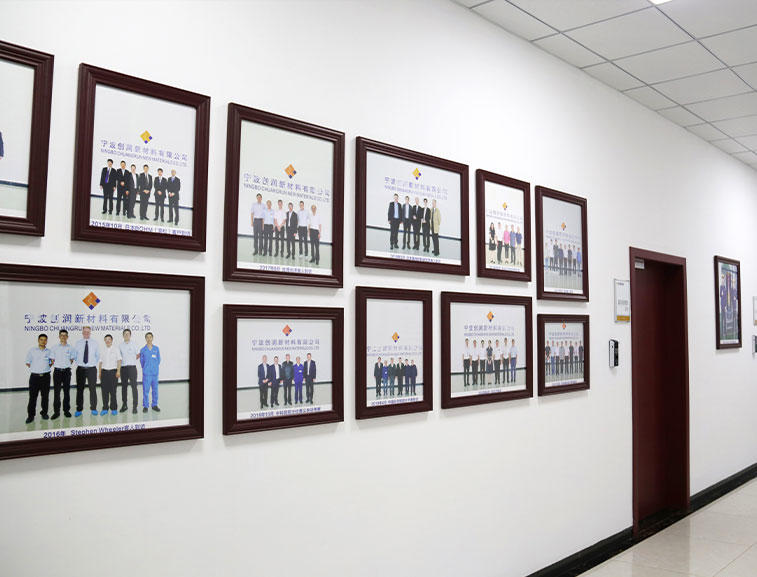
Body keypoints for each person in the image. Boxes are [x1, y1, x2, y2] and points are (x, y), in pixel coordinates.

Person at [25, 334, 52, 423]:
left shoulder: (49, 352)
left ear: (46, 341)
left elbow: (51, 362)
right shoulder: (32, 351)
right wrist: (36, 369)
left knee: (45, 397)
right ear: (38, 340)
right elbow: (28, 363)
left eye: (45, 340)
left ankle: (44, 413)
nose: (43, 341)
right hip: (34, 377)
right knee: (33, 397)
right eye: (41, 339)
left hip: (46, 377)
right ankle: (31, 416)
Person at [74, 326, 100, 417]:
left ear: (90, 333)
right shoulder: (78, 343)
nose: (86, 333)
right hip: (80, 369)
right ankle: (79, 409)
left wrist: (91, 364)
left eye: (88, 332)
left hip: (91, 369)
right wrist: (80, 363)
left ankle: (93, 408)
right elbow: (75, 355)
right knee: (79, 389)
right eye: (85, 332)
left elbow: (97, 356)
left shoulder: (95, 343)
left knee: (92, 389)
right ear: (82, 333)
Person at [50, 329, 74, 419]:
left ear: (67, 337)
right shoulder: (54, 348)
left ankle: (66, 410)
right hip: (57, 372)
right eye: (61, 335)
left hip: (67, 372)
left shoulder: (71, 348)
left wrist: (65, 366)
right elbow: (52, 360)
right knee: (57, 393)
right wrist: (59, 366)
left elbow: (71, 360)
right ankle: (56, 412)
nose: (63, 337)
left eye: (65, 335)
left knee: (66, 392)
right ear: (59, 336)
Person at [98, 334, 121, 416]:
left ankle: (114, 408)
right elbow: (100, 362)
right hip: (104, 372)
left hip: (113, 372)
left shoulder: (116, 349)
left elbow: (119, 360)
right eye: (106, 339)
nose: (107, 341)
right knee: (104, 392)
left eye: (109, 339)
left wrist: (118, 371)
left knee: (113, 391)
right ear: (104, 341)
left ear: (111, 340)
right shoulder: (102, 350)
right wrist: (100, 373)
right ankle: (105, 408)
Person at [139, 332, 161, 412]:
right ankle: (145, 406)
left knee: (155, 390)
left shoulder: (156, 349)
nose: (149, 339)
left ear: (152, 338)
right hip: (147, 374)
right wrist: (146, 368)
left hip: (154, 373)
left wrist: (154, 367)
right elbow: (141, 362)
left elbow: (159, 360)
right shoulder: (143, 350)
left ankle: (154, 405)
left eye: (150, 337)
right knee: (146, 391)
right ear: (145, 339)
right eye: (147, 337)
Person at [119, 328, 139, 414]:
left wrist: (132, 360)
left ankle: (135, 406)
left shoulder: (134, 344)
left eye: (128, 334)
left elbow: (138, 354)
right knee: (124, 387)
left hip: (132, 368)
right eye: (125, 334)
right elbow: (119, 358)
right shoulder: (120, 346)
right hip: (123, 369)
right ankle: (124, 405)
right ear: (123, 335)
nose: (126, 335)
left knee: (134, 387)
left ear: (130, 335)